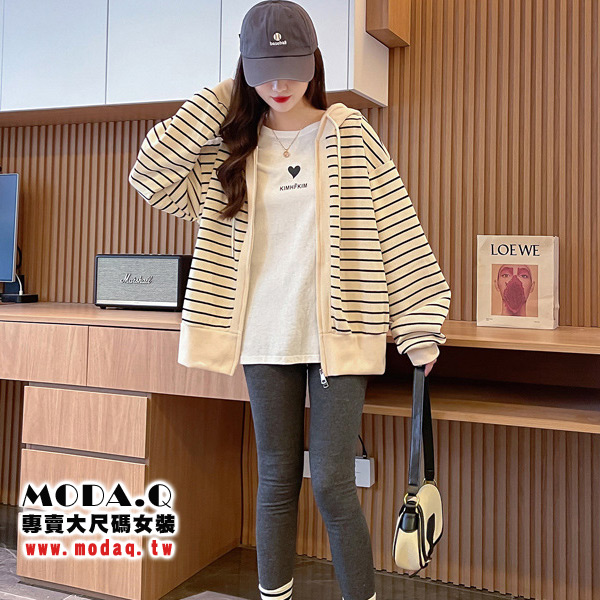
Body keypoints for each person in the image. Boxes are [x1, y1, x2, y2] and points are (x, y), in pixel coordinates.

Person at [128, 2, 452, 598]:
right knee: (277, 479)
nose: (279, 84)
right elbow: (149, 177)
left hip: (339, 333)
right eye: (264, 70)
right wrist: (222, 97)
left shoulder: (348, 132)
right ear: (245, 70)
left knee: (331, 482)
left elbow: (396, 226)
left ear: (314, 64)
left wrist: (419, 325)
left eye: (292, 68)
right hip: (263, 336)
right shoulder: (230, 149)